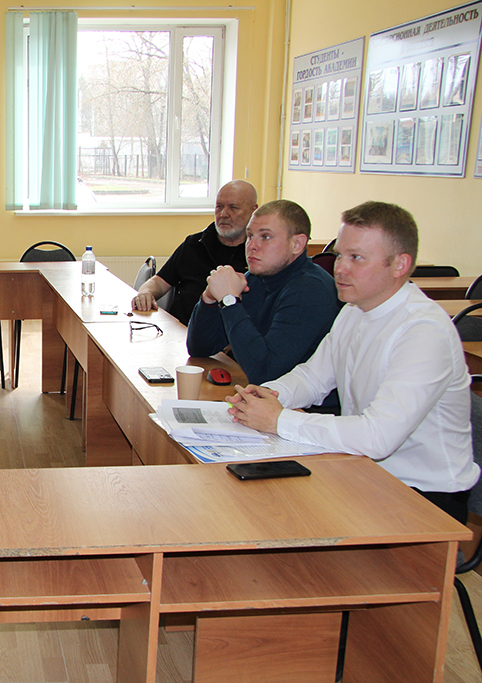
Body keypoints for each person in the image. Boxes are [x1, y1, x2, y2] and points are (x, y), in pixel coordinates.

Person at [227, 202, 478, 523]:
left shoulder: (423, 331)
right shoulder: (355, 310)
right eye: (340, 255)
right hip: (363, 472)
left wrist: (278, 420)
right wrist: (266, 395)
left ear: (400, 265)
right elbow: (313, 378)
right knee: (255, 507)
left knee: (280, 521)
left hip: (422, 496)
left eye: (356, 258)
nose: (340, 268)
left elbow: (377, 437)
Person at [186, 200, 341, 386]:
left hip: (301, 401)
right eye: (250, 236)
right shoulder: (256, 279)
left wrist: (229, 301)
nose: (252, 245)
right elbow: (200, 349)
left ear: (297, 244)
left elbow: (265, 372)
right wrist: (210, 298)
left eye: (265, 237)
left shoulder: (311, 290)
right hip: (265, 394)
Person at [132, 180, 257, 324]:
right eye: (219, 207)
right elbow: (160, 281)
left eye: (233, 208)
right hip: (180, 329)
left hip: (229, 332)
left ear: (253, 211)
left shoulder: (257, 253)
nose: (223, 214)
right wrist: (145, 292)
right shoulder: (195, 244)